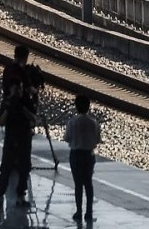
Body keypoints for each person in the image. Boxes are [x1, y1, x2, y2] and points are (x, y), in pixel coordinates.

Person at [0, 80, 36, 205]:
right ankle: (1, 194)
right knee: (6, 167)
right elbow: (1, 122)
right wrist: (8, 109)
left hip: (24, 138)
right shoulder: (7, 102)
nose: (18, 92)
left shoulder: (26, 102)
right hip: (11, 138)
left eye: (20, 89)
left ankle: (21, 194)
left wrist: (23, 109)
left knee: (24, 167)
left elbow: (34, 119)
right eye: (16, 89)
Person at [63, 94, 101, 222]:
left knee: (78, 184)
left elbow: (67, 138)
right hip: (89, 155)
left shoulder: (72, 122)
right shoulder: (94, 123)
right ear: (88, 107)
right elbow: (97, 139)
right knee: (88, 184)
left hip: (76, 154)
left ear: (76, 107)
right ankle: (89, 212)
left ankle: (79, 211)